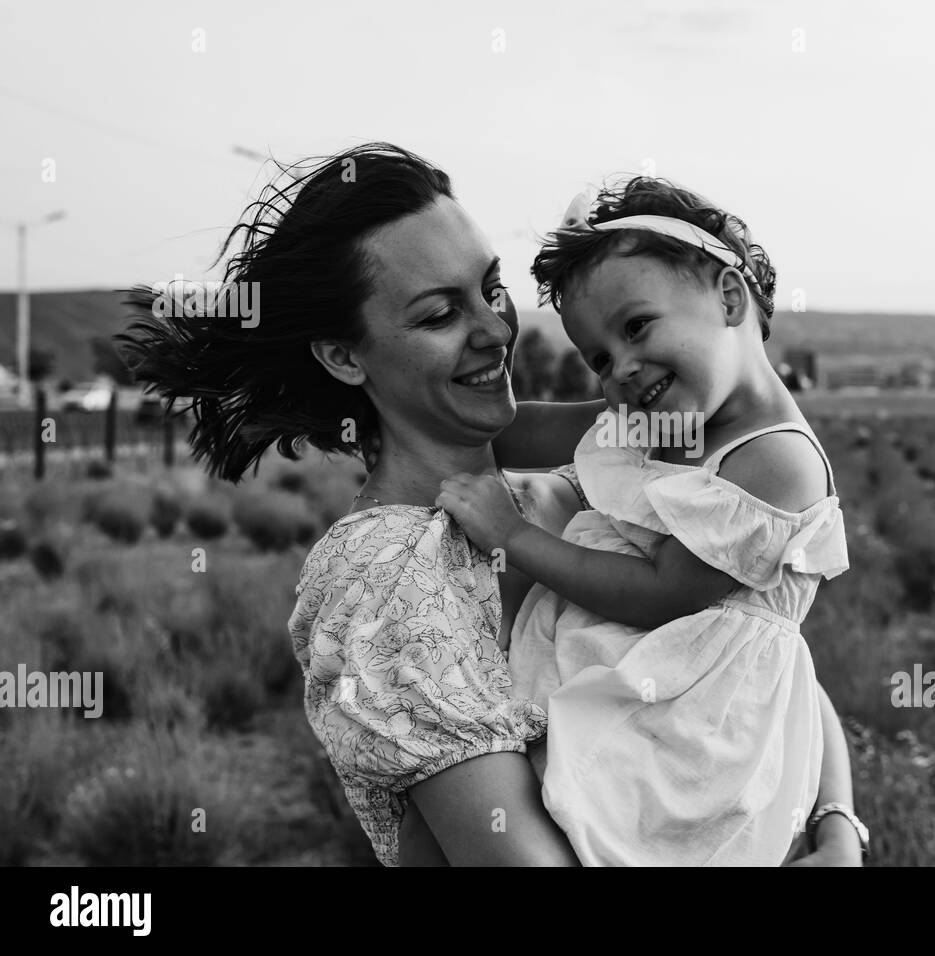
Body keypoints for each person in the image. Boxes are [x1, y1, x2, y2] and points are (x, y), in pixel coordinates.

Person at [116, 143, 864, 866]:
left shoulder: (598, 481)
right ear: (344, 356)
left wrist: (836, 827)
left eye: (491, 289)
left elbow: (762, 652)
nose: (498, 331)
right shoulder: (388, 574)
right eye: (441, 314)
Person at [436, 177, 853, 866]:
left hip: (682, 741)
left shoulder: (775, 461)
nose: (621, 369)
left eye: (636, 327)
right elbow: (524, 432)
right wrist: (423, 414)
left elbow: (663, 591)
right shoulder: (661, 419)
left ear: (728, 296)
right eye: (598, 358)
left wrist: (514, 537)